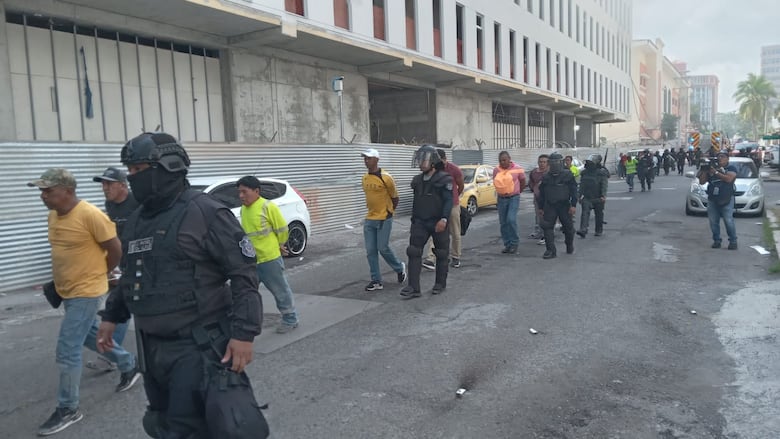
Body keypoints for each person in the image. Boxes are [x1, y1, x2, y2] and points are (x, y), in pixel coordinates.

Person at [96, 132, 269, 439]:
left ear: (168, 167)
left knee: (223, 427)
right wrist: (112, 316)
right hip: (152, 350)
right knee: (167, 427)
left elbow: (243, 274)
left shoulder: (205, 212)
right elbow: (132, 274)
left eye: (139, 170)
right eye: (131, 171)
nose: (133, 178)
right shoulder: (137, 220)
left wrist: (244, 333)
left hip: (199, 347)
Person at [28, 168, 140, 436]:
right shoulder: (54, 215)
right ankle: (128, 364)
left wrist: (102, 273)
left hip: (87, 290)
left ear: (67, 191)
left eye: (48, 190)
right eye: (41, 191)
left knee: (67, 348)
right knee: (89, 336)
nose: (43, 196)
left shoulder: (91, 215)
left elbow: (115, 250)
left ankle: (69, 408)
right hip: (66, 290)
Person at [87, 167, 139, 372]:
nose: (105, 188)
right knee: (120, 305)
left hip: (142, 261)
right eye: (103, 184)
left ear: (122, 185)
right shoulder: (110, 205)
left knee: (125, 304)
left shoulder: (137, 202)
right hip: (122, 262)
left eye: (109, 183)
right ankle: (111, 356)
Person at [238, 175, 300, 333]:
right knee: (245, 293)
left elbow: (282, 229)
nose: (241, 196)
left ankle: (290, 319)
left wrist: (280, 244)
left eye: (244, 192)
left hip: (269, 259)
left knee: (280, 291)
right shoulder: (244, 209)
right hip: (251, 261)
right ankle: (246, 322)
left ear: (256, 191)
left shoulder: (267, 206)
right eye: (239, 192)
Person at [400, 144, 453, 299]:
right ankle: (413, 287)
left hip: (438, 222)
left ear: (433, 161)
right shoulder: (417, 180)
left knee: (442, 253)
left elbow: (448, 201)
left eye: (424, 159)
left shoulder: (445, 179)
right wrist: (414, 220)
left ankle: (440, 284)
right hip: (420, 222)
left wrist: (444, 219)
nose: (421, 162)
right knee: (413, 251)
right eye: (420, 159)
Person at [359, 148, 407, 291]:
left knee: (383, 248)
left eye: (369, 158)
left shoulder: (386, 177)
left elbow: (395, 197)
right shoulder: (365, 178)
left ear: (376, 160)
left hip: (384, 218)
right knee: (370, 251)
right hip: (370, 219)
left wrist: (389, 212)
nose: (366, 161)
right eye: (365, 158)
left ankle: (399, 268)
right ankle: (376, 280)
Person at [422, 148, 464, 269]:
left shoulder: (454, 169)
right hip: (437, 205)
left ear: (445, 159)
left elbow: (460, 185)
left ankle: (456, 257)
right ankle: (431, 258)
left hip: (453, 205)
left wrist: (454, 197)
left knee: (455, 231)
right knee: (435, 230)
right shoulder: (433, 170)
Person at [538, 153, 578, 259]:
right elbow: (541, 194)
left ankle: (569, 245)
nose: (554, 164)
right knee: (547, 227)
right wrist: (541, 207)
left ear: (561, 162)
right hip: (550, 205)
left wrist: (573, 205)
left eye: (557, 162)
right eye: (552, 162)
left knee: (569, 228)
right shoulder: (546, 177)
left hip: (564, 205)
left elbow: (574, 190)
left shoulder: (567, 175)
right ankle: (550, 250)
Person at [697, 151, 738, 250]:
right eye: (718, 157)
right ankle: (716, 240)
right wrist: (705, 170)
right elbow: (702, 182)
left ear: (727, 159)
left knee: (728, 221)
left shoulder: (731, 168)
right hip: (712, 198)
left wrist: (715, 172)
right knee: (713, 222)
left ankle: (733, 241)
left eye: (723, 157)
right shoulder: (711, 168)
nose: (720, 158)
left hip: (726, 198)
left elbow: (729, 179)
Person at [492, 151, 527, 254]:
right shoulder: (496, 170)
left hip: (513, 198)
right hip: (501, 199)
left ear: (509, 159)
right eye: (500, 160)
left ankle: (514, 243)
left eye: (504, 160)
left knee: (511, 220)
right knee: (503, 222)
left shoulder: (517, 168)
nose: (502, 162)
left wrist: (518, 191)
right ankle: (507, 244)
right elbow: (495, 182)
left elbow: (523, 181)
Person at [576, 154, 609, 238]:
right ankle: (583, 229)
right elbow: (582, 184)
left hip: (598, 197)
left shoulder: (601, 172)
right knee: (585, 213)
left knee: (599, 214)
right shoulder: (584, 172)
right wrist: (580, 195)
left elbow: (604, 184)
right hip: (587, 197)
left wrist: (603, 195)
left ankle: (598, 230)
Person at [528, 154, 549, 243]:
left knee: (547, 216)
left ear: (548, 163)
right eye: (540, 162)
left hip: (548, 198)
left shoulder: (550, 173)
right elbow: (531, 183)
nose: (542, 164)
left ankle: (546, 235)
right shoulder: (534, 172)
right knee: (538, 215)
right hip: (537, 198)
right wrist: (535, 189)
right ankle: (539, 232)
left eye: (544, 162)